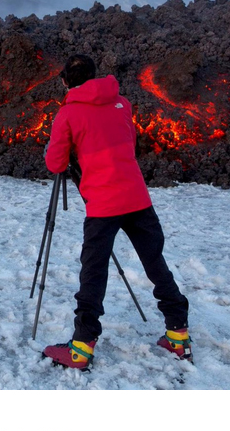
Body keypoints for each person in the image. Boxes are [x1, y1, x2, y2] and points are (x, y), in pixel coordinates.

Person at [42, 54, 191, 369]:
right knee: (155, 263)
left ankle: (81, 348)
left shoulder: (67, 115)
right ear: (95, 77)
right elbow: (128, 142)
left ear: (66, 81)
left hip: (103, 204)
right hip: (136, 196)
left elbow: (55, 163)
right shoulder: (122, 103)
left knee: (93, 272)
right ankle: (178, 336)